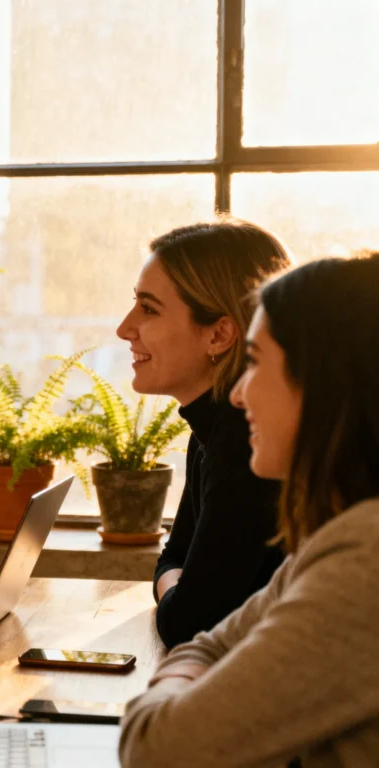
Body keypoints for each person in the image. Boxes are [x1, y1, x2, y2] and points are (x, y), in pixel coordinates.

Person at [119, 251, 379, 767]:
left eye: (256, 362)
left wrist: (176, 679)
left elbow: (156, 747)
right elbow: (203, 644)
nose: (238, 394)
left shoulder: (365, 562)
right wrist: (192, 667)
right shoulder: (336, 539)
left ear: (326, 385)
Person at [116, 220, 291, 648]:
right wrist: (176, 583)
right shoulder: (212, 430)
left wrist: (174, 586)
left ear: (218, 334)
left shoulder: (248, 444)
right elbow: (173, 559)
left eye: (149, 309)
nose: (125, 327)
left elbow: (186, 623)